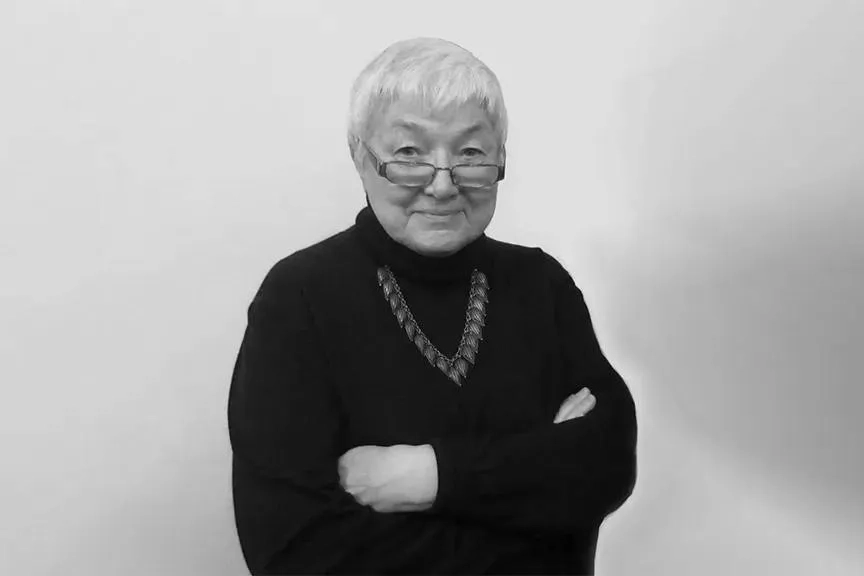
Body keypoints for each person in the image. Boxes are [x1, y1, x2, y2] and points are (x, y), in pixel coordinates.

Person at [228, 37, 637, 575]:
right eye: (408, 153)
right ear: (360, 156)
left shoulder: (542, 285)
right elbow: (293, 549)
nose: (443, 185)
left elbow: (607, 464)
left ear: (501, 158)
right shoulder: (299, 297)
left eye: (470, 154)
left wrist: (432, 476)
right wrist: (534, 491)